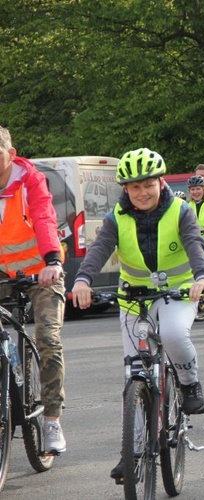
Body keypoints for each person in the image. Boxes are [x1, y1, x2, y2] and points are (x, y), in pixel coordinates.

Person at [70, 148, 204, 482]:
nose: (142, 192)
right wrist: (82, 280)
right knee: (133, 373)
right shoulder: (116, 217)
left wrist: (202, 276)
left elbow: (194, 244)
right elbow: (99, 250)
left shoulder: (181, 211)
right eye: (135, 187)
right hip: (134, 297)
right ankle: (132, 453)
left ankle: (189, 383)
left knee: (175, 334)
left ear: (161, 182)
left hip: (178, 291)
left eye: (148, 184)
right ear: (126, 190)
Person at [0, 125, 67, 454]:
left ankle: (52, 420)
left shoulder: (29, 180)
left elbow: (43, 216)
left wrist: (53, 260)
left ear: (10, 154)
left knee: (47, 339)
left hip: (42, 271)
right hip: (2, 273)